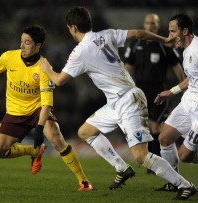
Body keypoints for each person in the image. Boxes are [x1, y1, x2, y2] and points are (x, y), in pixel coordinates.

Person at [39, 6, 196, 200]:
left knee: (141, 156)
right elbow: (138, 33)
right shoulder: (107, 34)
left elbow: (59, 80)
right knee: (85, 132)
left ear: (72, 28)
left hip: (128, 101)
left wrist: (46, 68)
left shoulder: (79, 52)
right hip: (116, 102)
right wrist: (163, 39)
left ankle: (185, 185)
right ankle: (122, 168)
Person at [0, 24, 93, 191]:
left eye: (27, 42)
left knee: (56, 139)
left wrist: (39, 128)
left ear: (38, 46)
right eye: (21, 41)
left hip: (38, 111)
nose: (22, 46)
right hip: (14, 111)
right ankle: (34, 151)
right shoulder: (10, 57)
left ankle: (84, 182)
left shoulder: (44, 68)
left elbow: (46, 104)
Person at [123, 13, 185, 172]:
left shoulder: (165, 46)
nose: (149, 26)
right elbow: (127, 68)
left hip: (158, 91)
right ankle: (152, 161)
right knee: (145, 127)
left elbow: (177, 70)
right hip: (140, 91)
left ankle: (156, 162)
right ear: (144, 25)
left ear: (158, 26)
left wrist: (185, 90)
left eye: (153, 23)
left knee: (155, 126)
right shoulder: (134, 45)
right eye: (147, 23)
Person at [154, 13, 198, 194]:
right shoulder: (187, 49)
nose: (169, 35)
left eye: (173, 31)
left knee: (185, 156)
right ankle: (175, 183)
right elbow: (192, 78)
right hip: (188, 102)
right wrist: (170, 92)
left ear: (184, 31)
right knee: (164, 138)